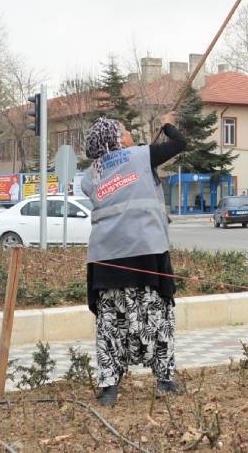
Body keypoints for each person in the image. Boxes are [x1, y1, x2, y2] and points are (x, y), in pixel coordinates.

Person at [81, 117, 187, 406]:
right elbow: (180, 144)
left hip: (105, 259)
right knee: (156, 316)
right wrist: (166, 125)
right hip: (145, 252)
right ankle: (164, 381)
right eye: (125, 131)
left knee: (110, 324)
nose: (130, 134)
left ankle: (109, 389)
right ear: (116, 139)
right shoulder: (142, 155)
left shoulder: (90, 177)